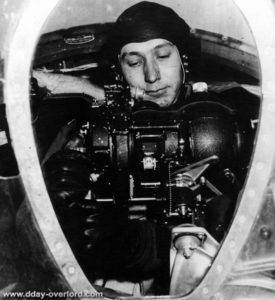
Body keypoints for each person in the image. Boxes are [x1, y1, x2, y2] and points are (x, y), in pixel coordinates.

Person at [33, 1, 257, 296]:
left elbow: (257, 227)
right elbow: (27, 234)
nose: (152, 76)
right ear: (119, 71)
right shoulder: (91, 130)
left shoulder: (231, 119)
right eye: (135, 62)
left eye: (163, 55)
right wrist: (60, 213)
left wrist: (153, 245)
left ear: (184, 60)